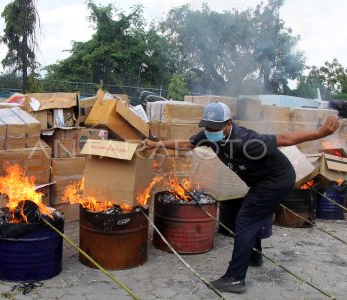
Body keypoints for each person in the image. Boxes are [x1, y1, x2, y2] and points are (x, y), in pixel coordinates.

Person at [141, 102, 339, 293]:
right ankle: (254, 256)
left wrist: (319, 134)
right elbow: (186, 143)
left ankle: (235, 278)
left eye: (216, 127)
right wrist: (154, 144)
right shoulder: (209, 134)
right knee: (252, 216)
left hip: (276, 179)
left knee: (245, 219)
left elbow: (284, 139)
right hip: (261, 181)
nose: (210, 130)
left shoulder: (246, 140)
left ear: (228, 124)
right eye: (207, 126)